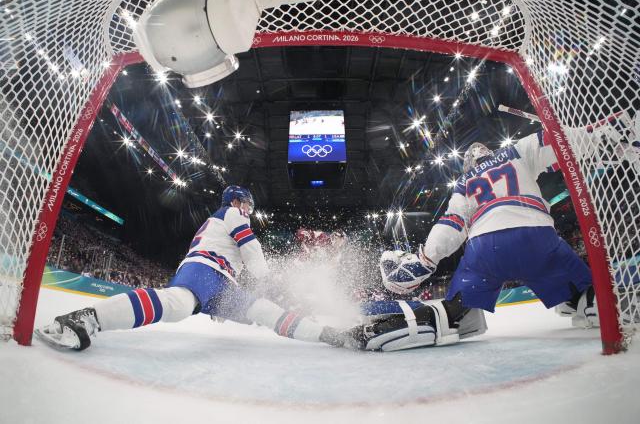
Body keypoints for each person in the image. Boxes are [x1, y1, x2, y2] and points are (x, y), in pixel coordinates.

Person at [354, 132, 599, 351]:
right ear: (491, 152)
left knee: (458, 304)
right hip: (537, 238)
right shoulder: (515, 151)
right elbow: (559, 142)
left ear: (469, 164)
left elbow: (452, 224)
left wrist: (426, 259)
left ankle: (446, 318)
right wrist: (603, 136)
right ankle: (583, 300)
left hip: (485, 248)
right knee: (580, 284)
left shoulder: (464, 182)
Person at [36, 186, 345, 351]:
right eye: (246, 203)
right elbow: (252, 248)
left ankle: (326, 335)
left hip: (218, 279)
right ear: (238, 201)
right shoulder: (232, 213)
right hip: (206, 271)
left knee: (261, 310)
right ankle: (86, 318)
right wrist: (264, 277)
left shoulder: (222, 218)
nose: (249, 209)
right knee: (178, 305)